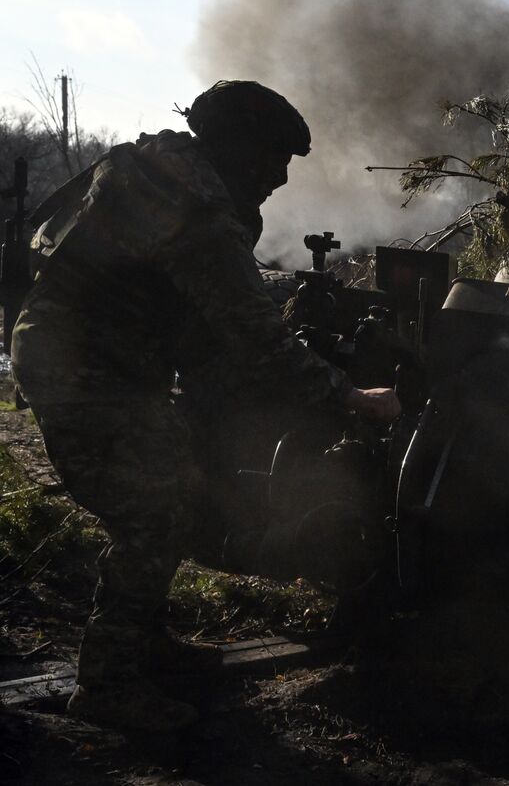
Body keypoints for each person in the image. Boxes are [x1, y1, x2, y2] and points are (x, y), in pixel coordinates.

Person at [11, 80, 401, 732]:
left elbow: (49, 239)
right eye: (275, 160)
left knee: (169, 484)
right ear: (241, 151)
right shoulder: (195, 218)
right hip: (86, 373)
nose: (279, 178)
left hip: (74, 355)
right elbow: (257, 339)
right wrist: (351, 395)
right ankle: (109, 686)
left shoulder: (147, 169)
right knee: (158, 506)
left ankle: (141, 645)